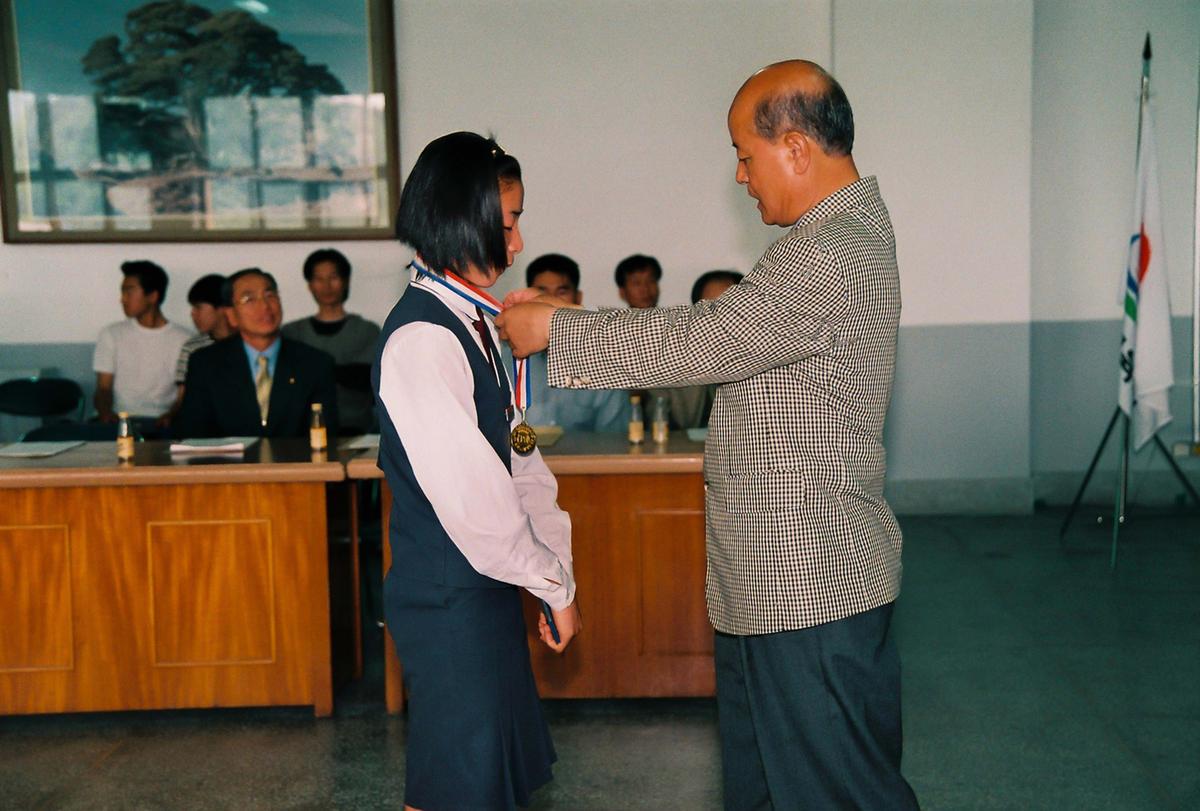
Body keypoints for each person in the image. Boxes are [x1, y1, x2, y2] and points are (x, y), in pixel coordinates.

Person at [497, 60, 918, 809]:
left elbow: (705, 340)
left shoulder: (837, 246)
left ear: (795, 148)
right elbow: (729, 338)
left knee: (835, 792)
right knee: (766, 788)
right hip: (777, 580)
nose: (740, 177)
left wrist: (557, 330)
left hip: (813, 583)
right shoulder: (821, 238)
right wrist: (563, 320)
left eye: (745, 156)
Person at [374, 131, 580, 811]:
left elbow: (520, 457)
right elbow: (477, 502)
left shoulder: (473, 323)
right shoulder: (423, 337)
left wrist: (555, 572)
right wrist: (551, 582)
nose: (517, 244)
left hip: (482, 592)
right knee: (454, 788)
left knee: (477, 785)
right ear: (463, 218)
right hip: (450, 601)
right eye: (508, 222)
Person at [175, 267, 338, 439]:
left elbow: (324, 436)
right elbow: (193, 435)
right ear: (231, 315)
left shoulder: (315, 363)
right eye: (249, 299)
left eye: (270, 295)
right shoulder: (205, 364)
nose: (265, 306)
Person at [513, 253, 628, 432]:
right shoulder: (504, 357)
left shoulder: (606, 363)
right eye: (541, 293)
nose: (550, 302)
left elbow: (615, 439)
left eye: (562, 292)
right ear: (526, 299)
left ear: (578, 299)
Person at [281, 249, 382, 434]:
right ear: (310, 285)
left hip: (356, 428)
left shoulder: (367, 331)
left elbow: (364, 380)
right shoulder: (292, 332)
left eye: (333, 277)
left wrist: (314, 372)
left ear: (345, 281)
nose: (326, 286)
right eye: (319, 279)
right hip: (302, 432)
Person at [92, 260, 191, 432]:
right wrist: (105, 412)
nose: (122, 299)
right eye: (122, 292)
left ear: (152, 296)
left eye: (129, 292)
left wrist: (172, 415)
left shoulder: (184, 339)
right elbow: (103, 388)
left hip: (162, 423)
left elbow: (185, 395)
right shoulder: (111, 334)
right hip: (118, 421)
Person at [649, 269, 746, 431]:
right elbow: (659, 426)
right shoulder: (670, 363)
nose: (718, 319)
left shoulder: (771, 361)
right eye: (710, 310)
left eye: (728, 308)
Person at [165, 273, 232, 422]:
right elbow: (183, 396)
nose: (193, 314)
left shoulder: (247, 343)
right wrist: (172, 415)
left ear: (221, 308)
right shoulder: (193, 347)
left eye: (198, 307)